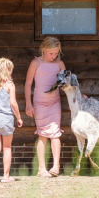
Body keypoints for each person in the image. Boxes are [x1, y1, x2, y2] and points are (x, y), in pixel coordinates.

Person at [25, 36, 66, 177]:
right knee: (42, 134)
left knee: (55, 134)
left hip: (55, 103)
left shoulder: (60, 64)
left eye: (56, 53)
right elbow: (28, 83)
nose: (54, 56)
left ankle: (56, 167)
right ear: (43, 49)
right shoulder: (36, 63)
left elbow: (65, 83)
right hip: (39, 103)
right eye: (51, 53)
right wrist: (28, 104)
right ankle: (41, 169)